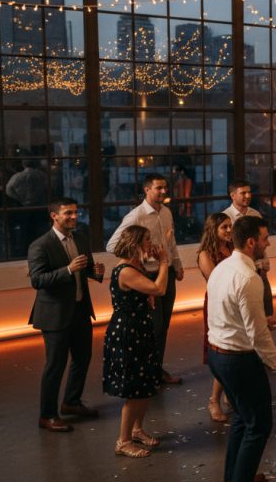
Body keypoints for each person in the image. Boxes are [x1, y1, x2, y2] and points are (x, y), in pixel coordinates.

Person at [206, 216, 276, 482]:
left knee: (243, 419)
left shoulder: (222, 268)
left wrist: (258, 318)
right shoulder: (248, 278)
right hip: (238, 361)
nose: (269, 243)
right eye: (265, 238)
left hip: (216, 354)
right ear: (252, 242)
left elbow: (225, 310)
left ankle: (234, 477)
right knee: (259, 426)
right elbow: (258, 336)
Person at [27, 197, 104, 432]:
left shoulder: (80, 238)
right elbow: (38, 280)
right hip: (55, 315)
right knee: (55, 365)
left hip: (80, 309)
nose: (73, 217)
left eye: (75, 212)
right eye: (68, 213)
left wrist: (95, 272)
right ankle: (47, 415)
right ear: (54, 216)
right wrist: (69, 269)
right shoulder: (40, 245)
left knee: (82, 359)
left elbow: (85, 269)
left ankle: (71, 402)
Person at [105, 173, 184, 385]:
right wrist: (143, 255)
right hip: (146, 274)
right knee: (153, 327)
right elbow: (112, 245)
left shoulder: (166, 212)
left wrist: (176, 264)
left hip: (165, 272)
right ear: (147, 190)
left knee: (163, 325)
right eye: (158, 188)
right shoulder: (135, 216)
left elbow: (171, 241)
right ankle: (148, 371)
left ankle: (156, 369)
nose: (163, 191)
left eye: (165, 188)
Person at [103, 225, 171, 458]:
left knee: (145, 385)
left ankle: (137, 429)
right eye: (146, 240)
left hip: (140, 328)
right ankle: (123, 441)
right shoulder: (125, 270)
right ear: (135, 244)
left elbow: (148, 291)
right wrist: (163, 262)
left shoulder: (136, 264)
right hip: (128, 332)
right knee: (134, 390)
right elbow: (159, 288)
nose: (150, 244)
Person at [224, 179, 276, 330]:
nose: (248, 196)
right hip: (239, 270)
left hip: (258, 268)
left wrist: (265, 261)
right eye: (243, 193)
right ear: (233, 195)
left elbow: (261, 242)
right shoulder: (225, 217)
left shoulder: (255, 214)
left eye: (249, 192)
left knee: (264, 308)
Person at [197, 213, 234, 423]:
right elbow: (215, 281)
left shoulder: (231, 248)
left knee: (234, 349)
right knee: (222, 350)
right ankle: (213, 400)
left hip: (233, 302)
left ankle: (229, 392)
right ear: (214, 230)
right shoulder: (205, 253)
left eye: (230, 226)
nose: (229, 230)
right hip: (217, 305)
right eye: (224, 228)